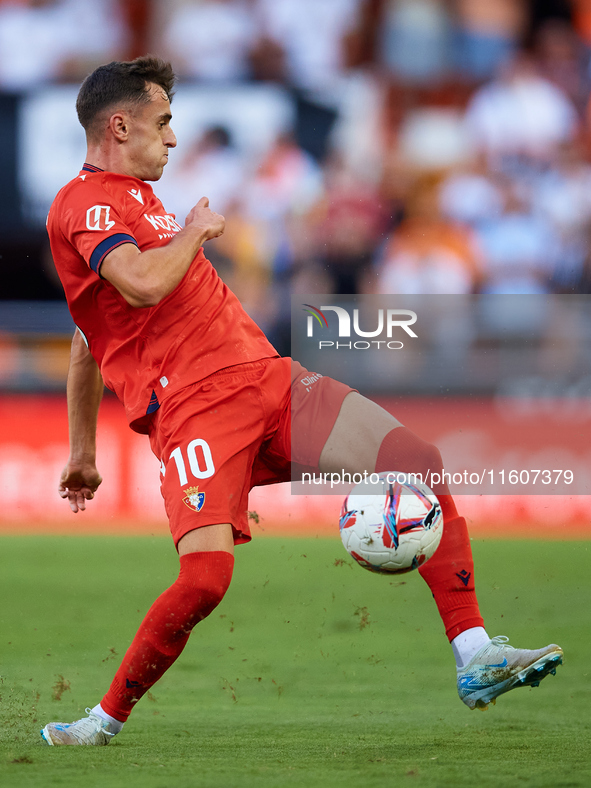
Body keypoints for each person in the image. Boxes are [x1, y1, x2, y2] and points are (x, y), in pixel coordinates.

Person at [40, 56, 562, 746]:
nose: (171, 138)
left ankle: (475, 654)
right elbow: (135, 287)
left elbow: (89, 335)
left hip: (267, 378)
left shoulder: (140, 200)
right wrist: (196, 232)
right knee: (204, 580)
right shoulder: (87, 203)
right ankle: (100, 724)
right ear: (119, 124)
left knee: (414, 458)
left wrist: (82, 452)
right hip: (195, 407)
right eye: (162, 123)